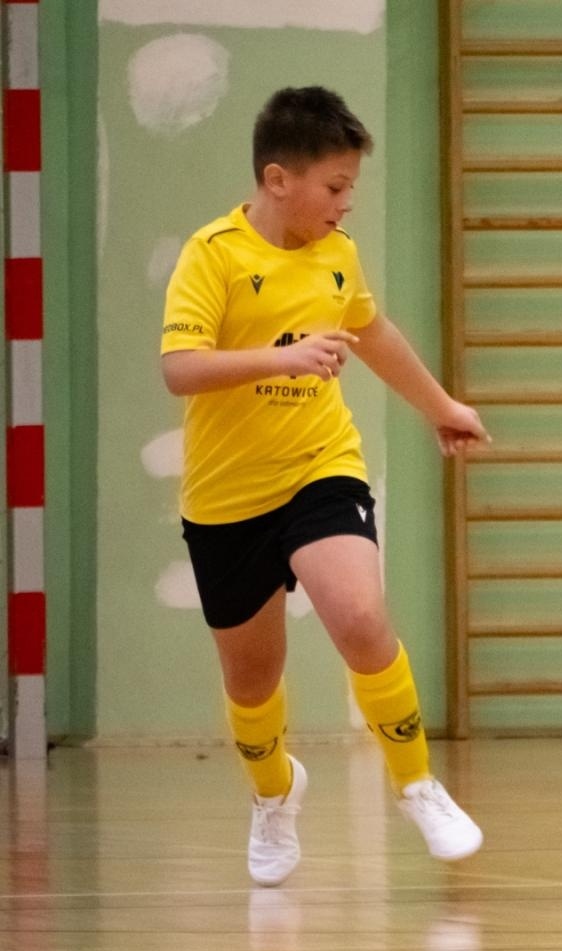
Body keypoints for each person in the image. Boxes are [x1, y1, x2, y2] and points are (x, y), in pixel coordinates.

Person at [160, 87, 488, 886]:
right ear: (279, 179)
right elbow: (180, 368)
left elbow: (372, 332)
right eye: (336, 186)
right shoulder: (214, 253)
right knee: (252, 679)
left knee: (361, 616)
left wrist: (441, 406)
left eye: (351, 186)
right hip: (226, 497)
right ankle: (274, 794)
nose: (347, 202)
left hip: (319, 465)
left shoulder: (338, 255)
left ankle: (417, 783)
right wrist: (283, 356)